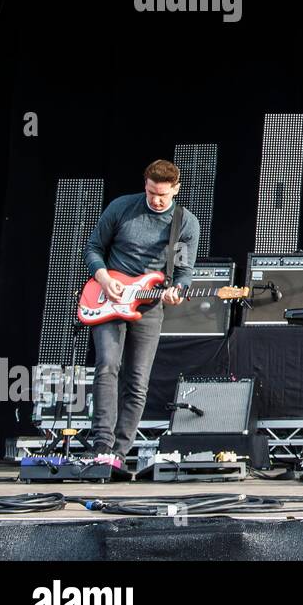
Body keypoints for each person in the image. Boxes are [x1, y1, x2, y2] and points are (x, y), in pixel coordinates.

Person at [84, 160, 201, 465]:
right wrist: (105, 278)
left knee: (137, 380)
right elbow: (94, 248)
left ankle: (119, 454)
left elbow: (184, 271)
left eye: (162, 195)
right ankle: (100, 447)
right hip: (109, 296)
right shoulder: (122, 208)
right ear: (145, 184)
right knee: (108, 365)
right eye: (151, 192)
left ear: (176, 189)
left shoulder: (184, 222)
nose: (155, 200)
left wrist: (178, 290)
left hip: (149, 304)